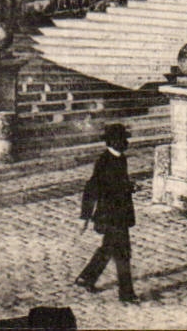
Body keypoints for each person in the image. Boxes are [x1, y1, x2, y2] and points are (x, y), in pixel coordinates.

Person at [74, 123, 139, 303]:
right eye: (121, 140)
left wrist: (130, 187)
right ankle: (126, 294)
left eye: (124, 139)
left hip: (120, 214)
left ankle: (87, 278)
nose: (125, 142)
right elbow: (91, 189)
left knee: (109, 248)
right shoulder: (104, 161)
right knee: (123, 253)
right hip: (110, 216)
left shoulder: (120, 158)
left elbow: (118, 185)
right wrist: (84, 217)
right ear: (112, 142)